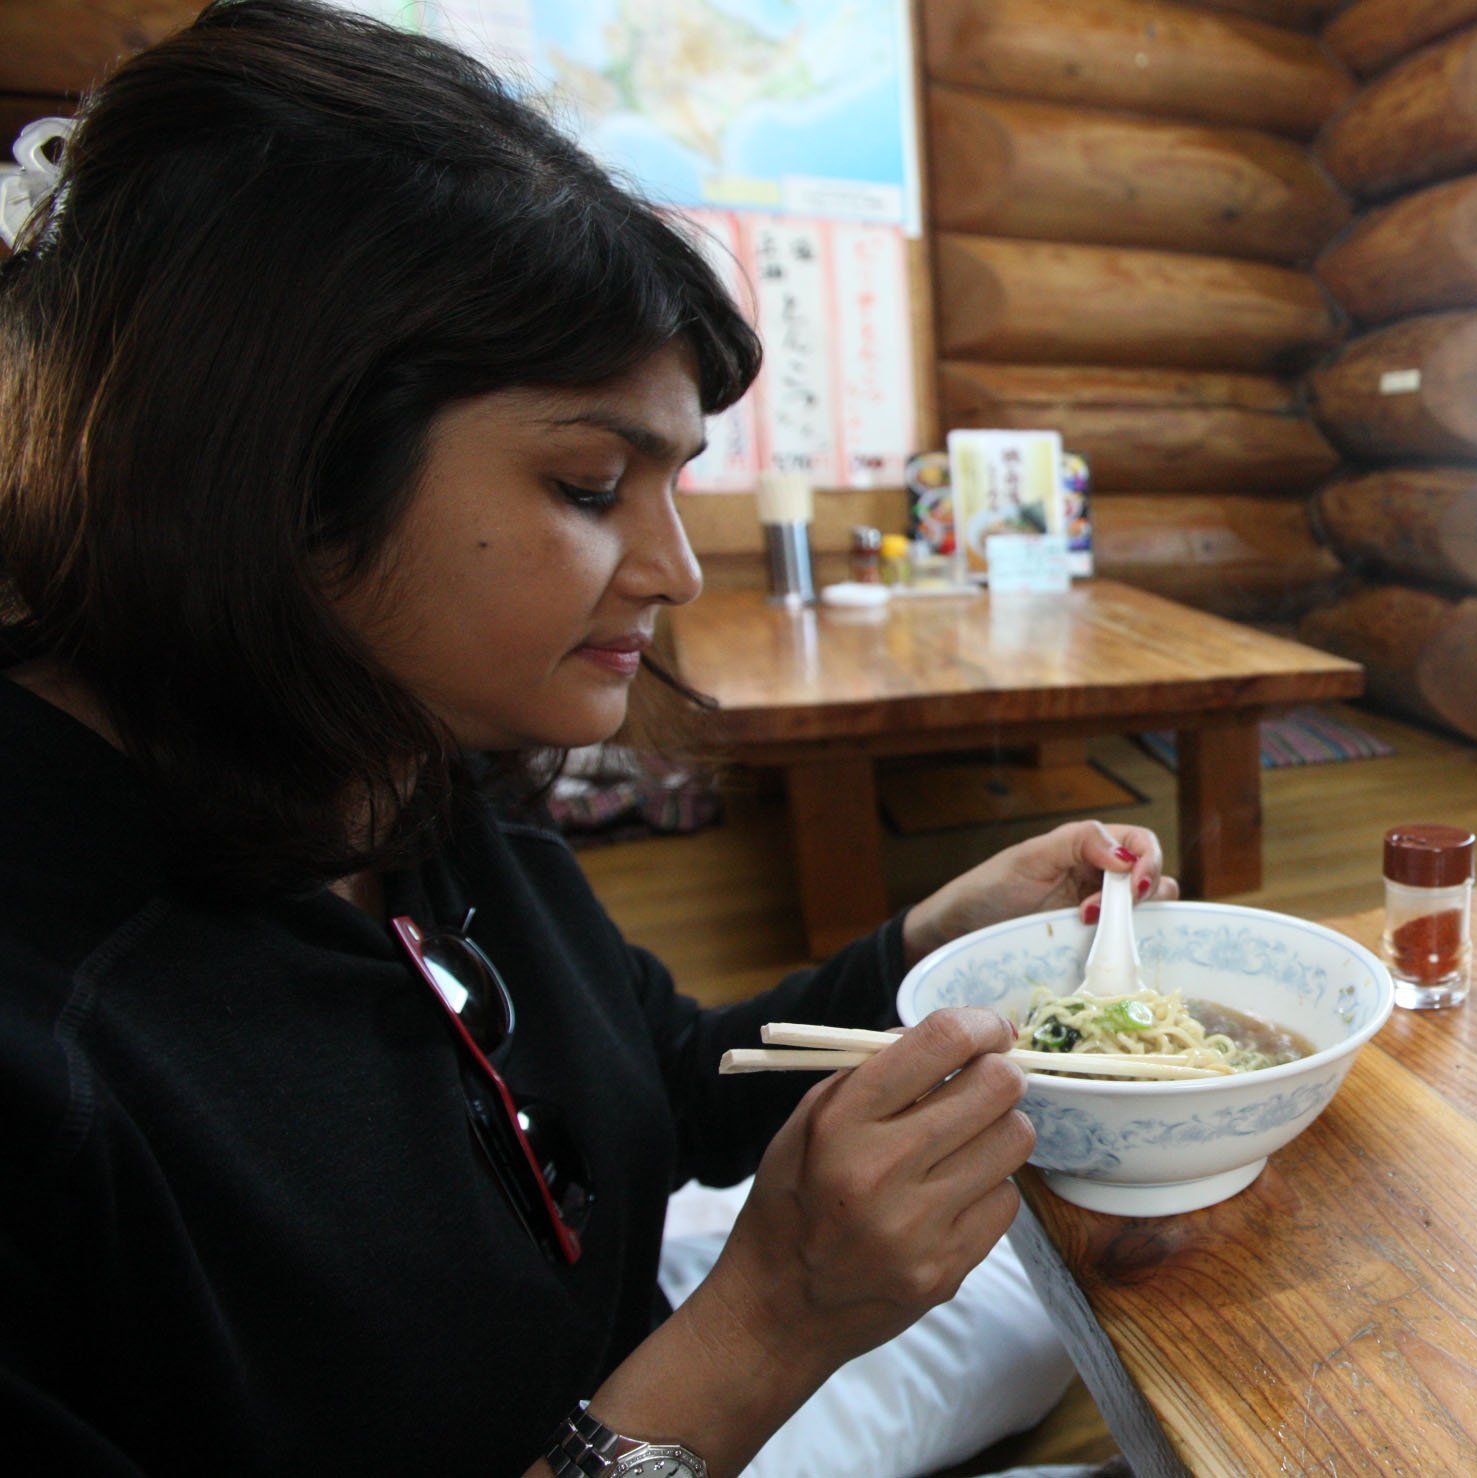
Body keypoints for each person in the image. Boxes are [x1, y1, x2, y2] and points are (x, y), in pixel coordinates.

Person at [0, 3, 1178, 1474]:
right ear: (262, 459)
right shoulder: (57, 1043)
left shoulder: (403, 760)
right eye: (587, 483)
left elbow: (660, 1089)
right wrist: (768, 1327)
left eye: (676, 484)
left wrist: (928, 944)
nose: (675, 570)